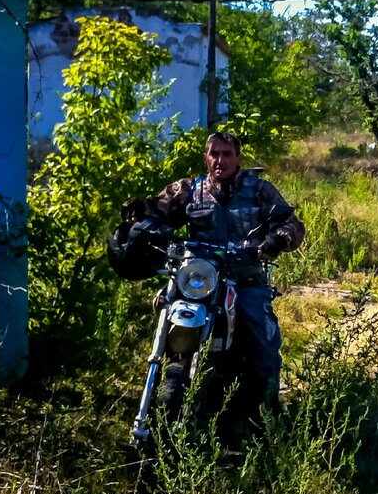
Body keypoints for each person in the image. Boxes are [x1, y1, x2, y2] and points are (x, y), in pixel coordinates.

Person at [122, 131, 304, 442]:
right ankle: (159, 412)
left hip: (244, 279)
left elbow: (292, 223)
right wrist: (139, 216)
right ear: (207, 157)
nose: (220, 160)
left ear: (238, 158)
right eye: (215, 154)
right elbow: (157, 211)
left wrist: (276, 239)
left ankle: (268, 421)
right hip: (199, 281)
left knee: (264, 346)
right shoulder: (190, 190)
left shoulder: (258, 189)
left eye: (227, 154)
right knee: (169, 320)